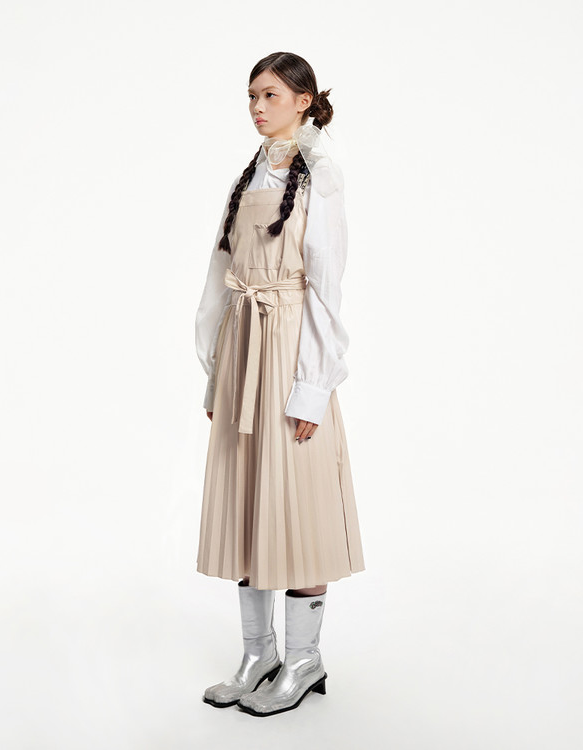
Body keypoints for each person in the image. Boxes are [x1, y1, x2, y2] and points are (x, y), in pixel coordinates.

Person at [194, 51, 365, 717]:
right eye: (251, 96)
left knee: (300, 507)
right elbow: (219, 280)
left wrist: (312, 387)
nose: (257, 107)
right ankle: (257, 652)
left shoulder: (321, 177)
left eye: (269, 95)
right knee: (248, 505)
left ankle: (302, 659)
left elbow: (325, 287)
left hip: (291, 351)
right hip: (244, 356)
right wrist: (217, 373)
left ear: (303, 99)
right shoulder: (248, 176)